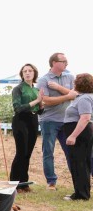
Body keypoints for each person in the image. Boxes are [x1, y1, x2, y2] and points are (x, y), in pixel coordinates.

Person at [37, 52, 76, 190]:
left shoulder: (70, 76)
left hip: (68, 121)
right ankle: (51, 182)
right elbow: (46, 101)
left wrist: (59, 89)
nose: (66, 63)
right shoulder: (43, 80)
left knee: (71, 152)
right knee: (48, 152)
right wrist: (67, 96)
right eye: (63, 61)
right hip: (49, 121)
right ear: (54, 63)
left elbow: (75, 95)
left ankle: (77, 180)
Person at [9, 64, 43, 190]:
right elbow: (18, 108)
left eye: (30, 71)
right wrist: (36, 101)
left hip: (33, 120)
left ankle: (24, 183)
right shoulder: (18, 89)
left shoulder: (36, 90)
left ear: (34, 73)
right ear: (22, 74)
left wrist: (41, 105)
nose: (27, 73)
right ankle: (14, 183)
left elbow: (39, 111)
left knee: (28, 153)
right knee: (21, 152)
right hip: (20, 120)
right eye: (25, 71)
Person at [62, 73, 93, 200]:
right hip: (82, 132)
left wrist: (73, 136)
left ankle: (81, 194)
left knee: (79, 162)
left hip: (79, 133)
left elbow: (85, 118)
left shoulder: (85, 98)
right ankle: (81, 192)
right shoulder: (83, 97)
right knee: (80, 162)